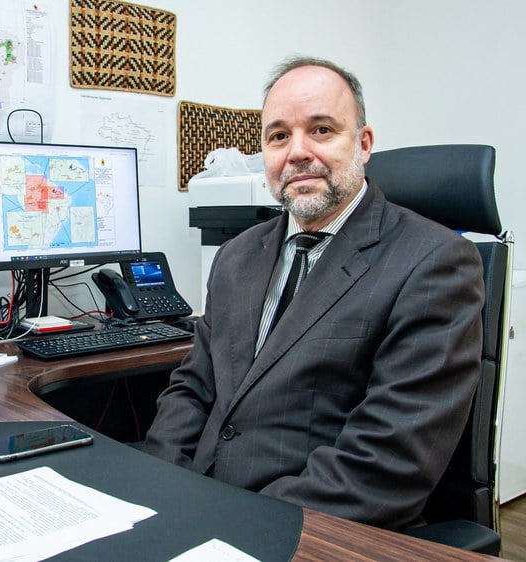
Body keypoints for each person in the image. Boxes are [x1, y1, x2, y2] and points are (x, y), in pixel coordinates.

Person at [144, 56, 484, 530]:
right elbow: (193, 387)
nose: (297, 152)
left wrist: (238, 521)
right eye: (278, 136)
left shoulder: (434, 262)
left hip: (311, 528)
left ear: (363, 144)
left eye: (321, 129)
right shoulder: (236, 256)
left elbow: (386, 463)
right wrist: (165, 485)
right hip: (198, 502)